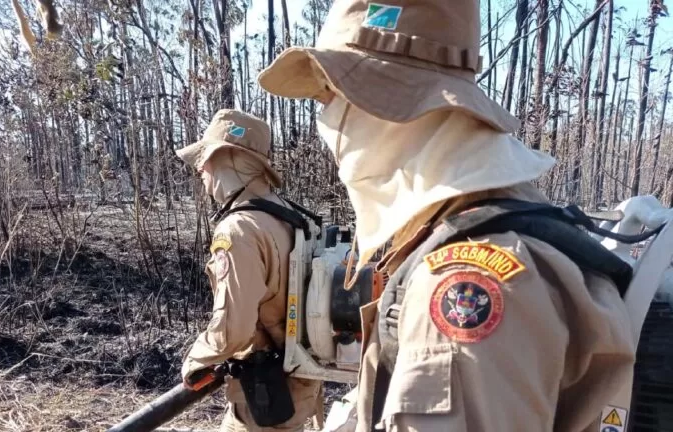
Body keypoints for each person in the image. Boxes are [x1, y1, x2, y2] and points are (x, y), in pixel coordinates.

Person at [258, 1, 635, 431]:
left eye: (331, 94)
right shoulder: (513, 220)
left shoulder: (465, 286)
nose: (326, 119)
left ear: (386, 104)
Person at [177, 109, 322, 432]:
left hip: (266, 394)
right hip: (299, 382)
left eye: (204, 159)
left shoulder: (239, 229)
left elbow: (234, 328)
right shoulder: (290, 216)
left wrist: (196, 361)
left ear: (224, 158)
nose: (201, 170)